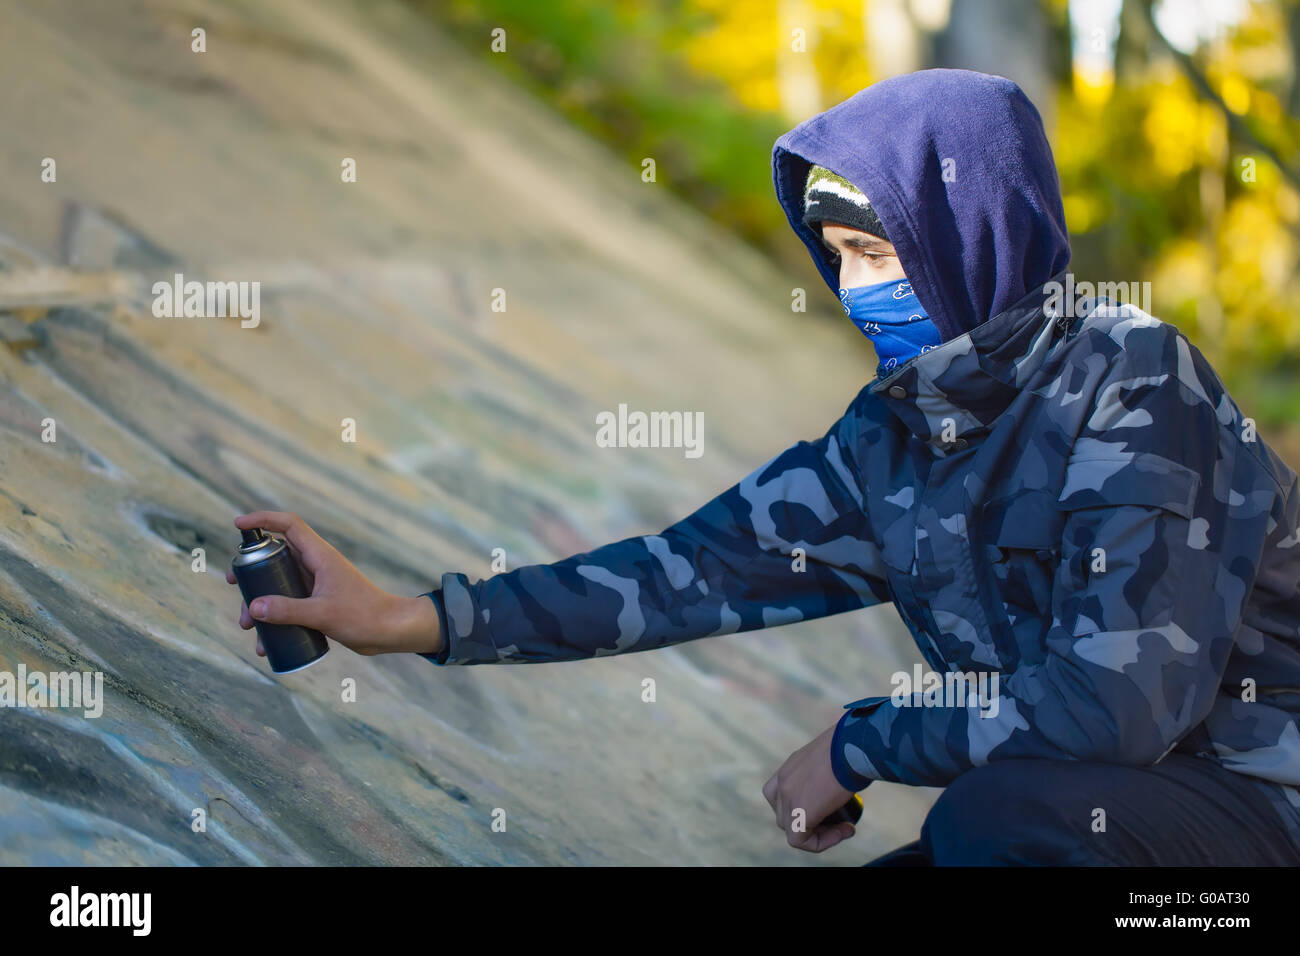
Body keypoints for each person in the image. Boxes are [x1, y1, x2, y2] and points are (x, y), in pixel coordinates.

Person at [227, 69, 1300, 865]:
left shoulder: (1130, 379)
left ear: (967, 233)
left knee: (999, 821)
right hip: (1109, 824)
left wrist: (864, 742)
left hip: (1256, 816)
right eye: (837, 259)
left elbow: (1114, 711)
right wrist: (407, 616)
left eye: (878, 252)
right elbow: (684, 571)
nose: (854, 287)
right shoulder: (899, 436)